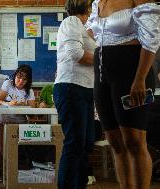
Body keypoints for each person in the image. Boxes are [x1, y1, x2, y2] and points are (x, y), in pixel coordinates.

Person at [86, 0, 160, 188]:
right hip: (102, 75)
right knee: (115, 142)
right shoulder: (98, 3)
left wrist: (140, 79)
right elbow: (91, 32)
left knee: (134, 141)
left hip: (131, 73)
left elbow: (152, 39)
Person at [53, 0, 96, 188]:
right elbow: (75, 54)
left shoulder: (83, 26)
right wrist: (104, 59)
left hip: (85, 89)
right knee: (75, 143)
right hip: (71, 87)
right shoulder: (71, 21)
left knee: (86, 144)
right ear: (85, 6)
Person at [0, 64, 36, 176]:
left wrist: (24, 104)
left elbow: (33, 110)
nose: (20, 81)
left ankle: (20, 174)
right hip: (5, 123)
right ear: (15, 76)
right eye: (19, 77)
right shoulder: (8, 84)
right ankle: (7, 173)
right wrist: (8, 104)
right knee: (4, 150)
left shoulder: (29, 91)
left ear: (28, 80)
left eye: (24, 79)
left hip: (21, 126)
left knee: (21, 153)